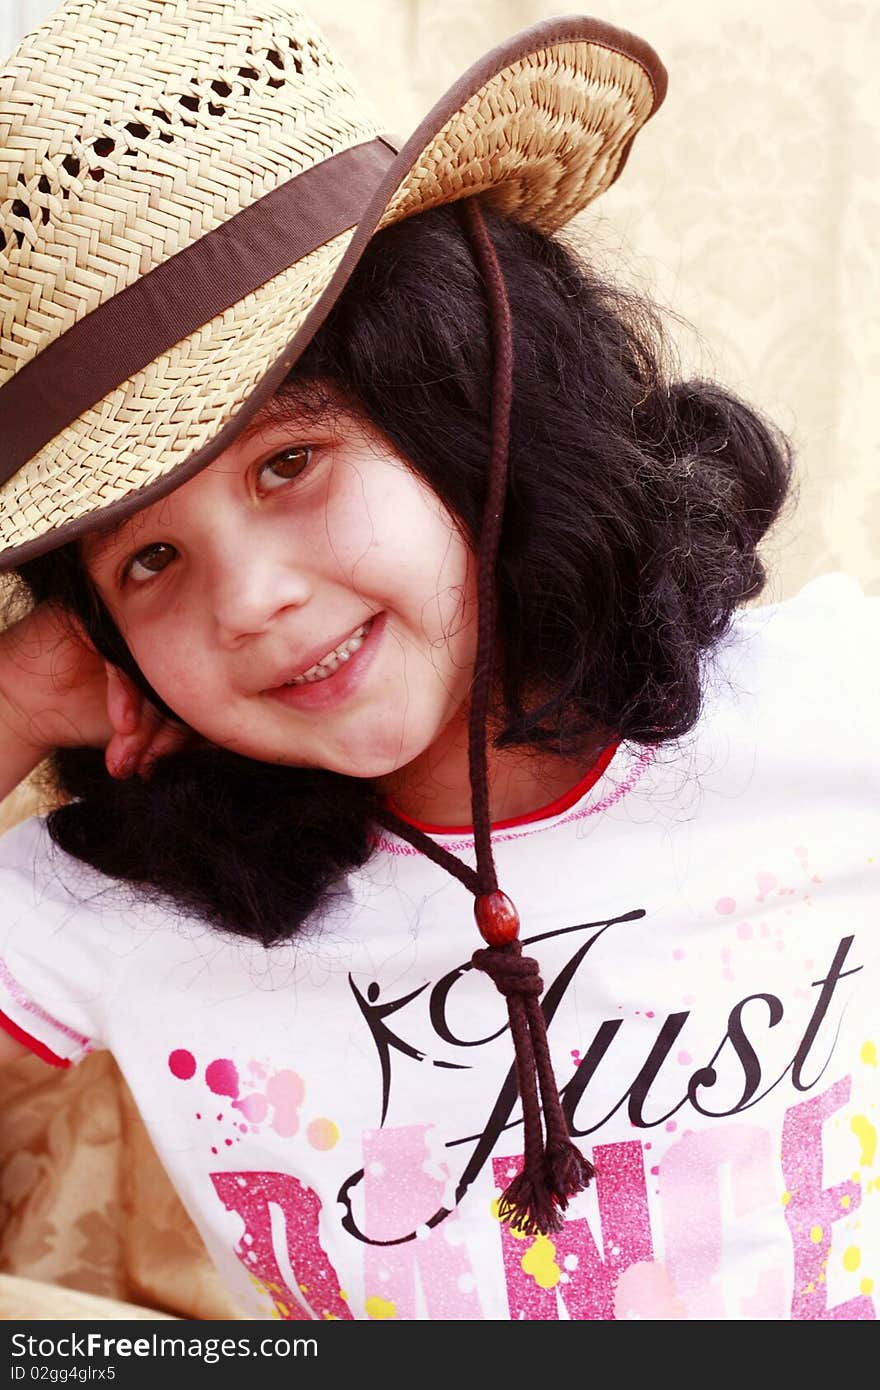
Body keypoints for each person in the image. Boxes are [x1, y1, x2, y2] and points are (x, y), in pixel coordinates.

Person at [0, 0, 876, 1322]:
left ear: (470, 401)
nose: (249, 600)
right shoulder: (120, 909)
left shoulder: (835, 711)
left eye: (290, 462)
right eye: (148, 562)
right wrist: (16, 699)